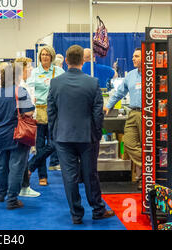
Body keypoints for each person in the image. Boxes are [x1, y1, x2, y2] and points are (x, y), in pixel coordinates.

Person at [48, 45, 115, 224]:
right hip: (87, 137)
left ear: (67, 61)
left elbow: (51, 112)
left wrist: (53, 134)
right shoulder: (92, 83)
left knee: (69, 177)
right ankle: (98, 209)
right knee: (90, 174)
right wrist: (97, 133)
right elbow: (97, 114)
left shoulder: (55, 82)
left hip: (63, 136)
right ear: (83, 61)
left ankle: (76, 214)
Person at [0, 63, 35, 210]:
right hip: (16, 134)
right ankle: (12, 199)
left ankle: (0, 193)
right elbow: (29, 113)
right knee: (16, 166)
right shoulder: (20, 91)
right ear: (16, 76)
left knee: (2, 165)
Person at [104, 48, 142, 189]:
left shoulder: (152, 74)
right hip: (133, 113)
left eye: (137, 56)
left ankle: (142, 179)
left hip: (148, 114)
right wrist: (108, 105)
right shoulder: (131, 75)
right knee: (129, 143)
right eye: (133, 56)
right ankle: (149, 165)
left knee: (146, 145)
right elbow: (119, 92)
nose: (133, 58)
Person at [27, 45, 64, 186]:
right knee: (40, 144)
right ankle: (43, 176)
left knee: (55, 143)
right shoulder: (35, 72)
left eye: (47, 54)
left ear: (52, 56)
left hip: (55, 112)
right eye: (42, 54)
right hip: (39, 112)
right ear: (39, 57)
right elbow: (29, 90)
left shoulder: (59, 71)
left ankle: (30, 166)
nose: (45, 57)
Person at [14, 57, 40, 198]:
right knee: (22, 158)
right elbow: (27, 110)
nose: (30, 69)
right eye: (28, 67)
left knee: (22, 157)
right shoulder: (22, 87)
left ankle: (22, 186)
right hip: (24, 125)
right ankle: (23, 187)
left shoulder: (20, 85)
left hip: (19, 125)